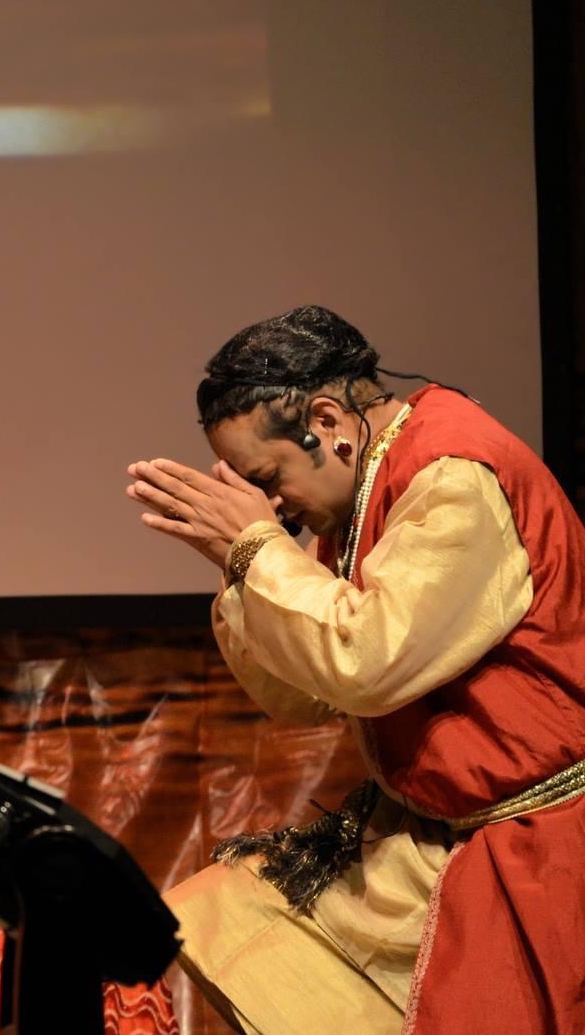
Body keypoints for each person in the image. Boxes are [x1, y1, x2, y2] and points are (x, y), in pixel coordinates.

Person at [124, 305, 585, 1034]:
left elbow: (366, 661)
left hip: (536, 836)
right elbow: (306, 695)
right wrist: (241, 564)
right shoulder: (360, 488)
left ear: (328, 421)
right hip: (436, 828)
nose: (273, 505)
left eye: (268, 478)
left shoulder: (452, 476)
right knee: (231, 920)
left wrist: (255, 549)